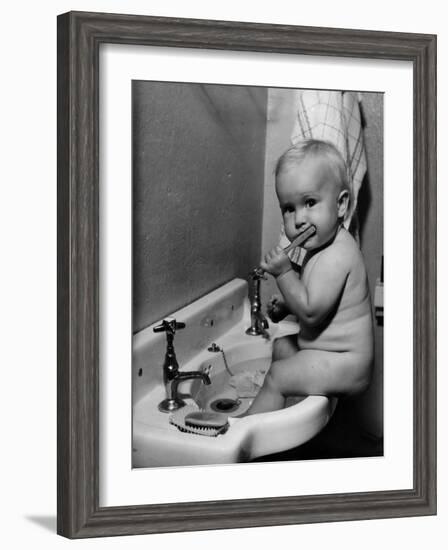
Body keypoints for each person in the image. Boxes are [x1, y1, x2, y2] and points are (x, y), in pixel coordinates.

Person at [246, 139, 374, 415]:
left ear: (340, 205)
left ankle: (243, 428)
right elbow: (311, 293)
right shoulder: (318, 247)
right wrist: (285, 303)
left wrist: (284, 272)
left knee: (278, 375)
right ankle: (276, 407)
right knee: (281, 347)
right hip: (327, 355)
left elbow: (312, 311)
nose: (299, 219)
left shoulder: (339, 254)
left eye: (310, 202)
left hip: (346, 362)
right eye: (289, 208)